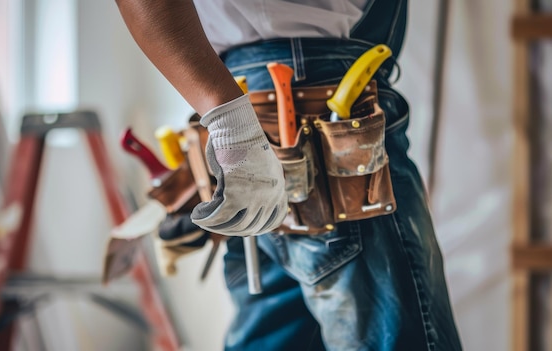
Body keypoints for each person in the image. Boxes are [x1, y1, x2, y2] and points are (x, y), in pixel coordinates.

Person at [114, 0, 463, 350]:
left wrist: (229, 119)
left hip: (253, 95)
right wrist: (229, 122)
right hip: (312, 84)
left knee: (274, 337)